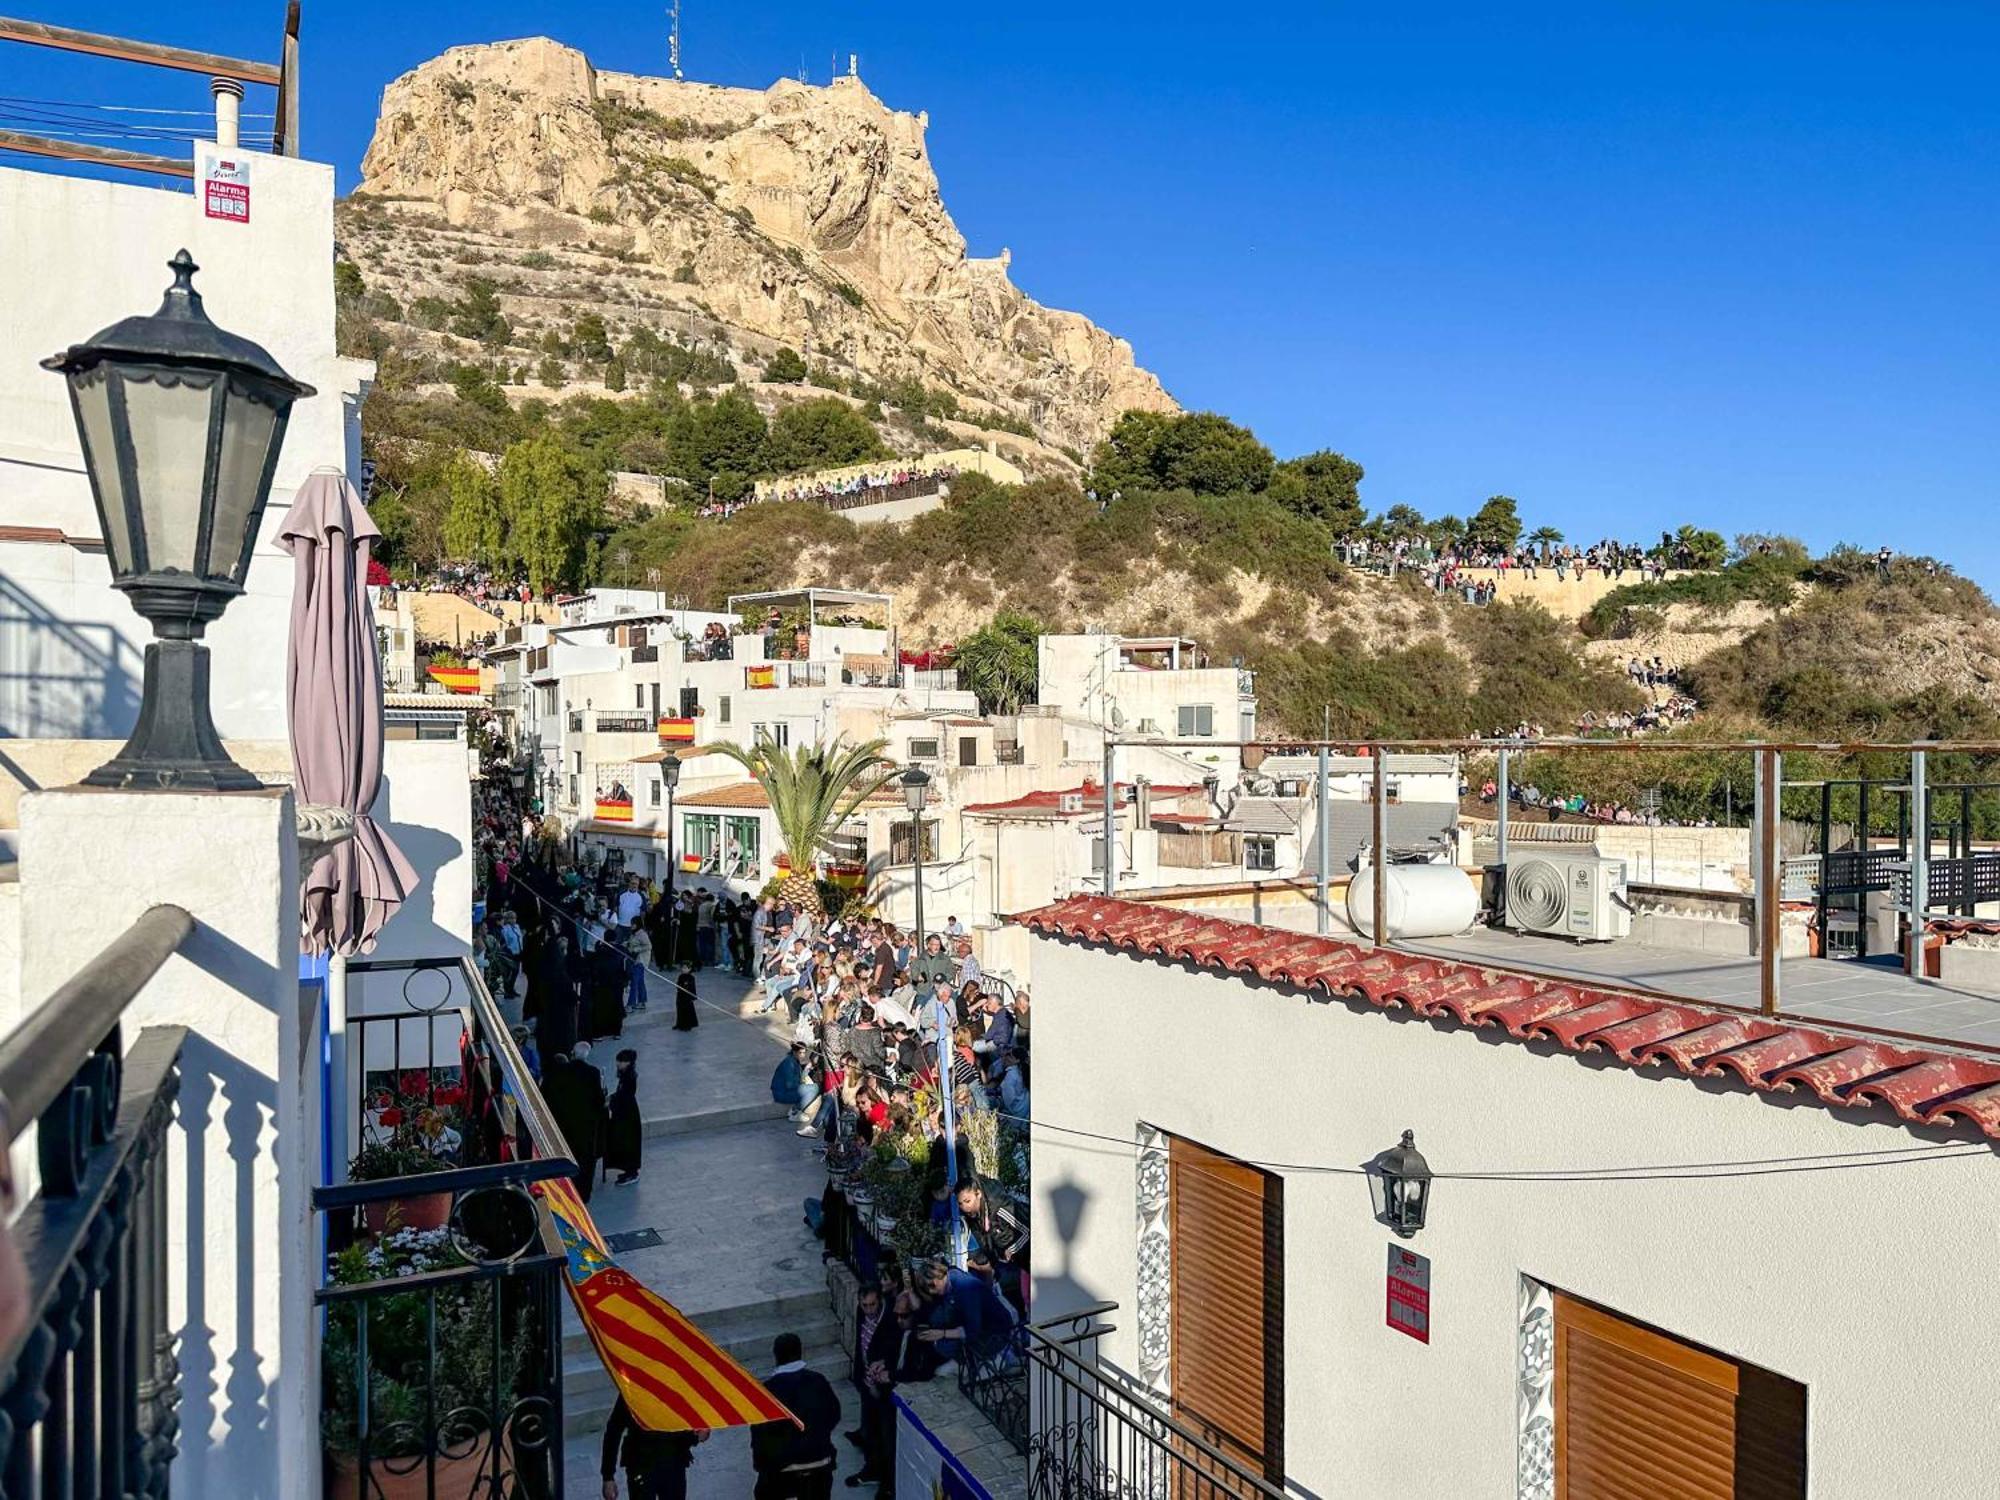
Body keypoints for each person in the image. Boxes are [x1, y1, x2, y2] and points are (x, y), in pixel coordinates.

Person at [752, 1332, 842, 1498]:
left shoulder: (767, 1391)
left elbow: (759, 1436)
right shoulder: (818, 1381)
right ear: (801, 1352)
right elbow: (834, 1414)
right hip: (819, 1461)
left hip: (782, 1468)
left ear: (776, 1356)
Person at [845, 1284, 899, 1488]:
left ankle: (888, 1482)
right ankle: (871, 1469)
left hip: (883, 1387)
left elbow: (894, 1350)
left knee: (886, 1437)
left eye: (872, 1305)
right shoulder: (862, 1313)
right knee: (870, 1432)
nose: (869, 1310)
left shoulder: (891, 1318)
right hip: (867, 1384)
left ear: (880, 1301)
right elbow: (861, 1345)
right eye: (865, 1305)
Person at [600, 1394, 704, 1499]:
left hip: (673, 1464)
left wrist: (696, 1436)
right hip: (641, 1465)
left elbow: (682, 1430)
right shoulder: (632, 1391)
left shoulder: (678, 1388)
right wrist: (608, 1477)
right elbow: (613, 1432)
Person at [542, 1045, 606, 1201]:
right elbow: (599, 1101)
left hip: (564, 1125)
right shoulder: (593, 1073)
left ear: (572, 1054)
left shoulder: (559, 1072)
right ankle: (583, 1195)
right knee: (585, 1162)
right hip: (586, 1128)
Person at [605, 1047, 643, 1186]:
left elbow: (625, 1096)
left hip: (627, 1114)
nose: (618, 1064)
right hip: (625, 1112)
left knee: (628, 1141)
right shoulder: (626, 1075)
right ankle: (628, 1170)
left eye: (621, 1062)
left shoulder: (629, 1077)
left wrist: (611, 1101)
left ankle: (631, 1171)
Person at [674, 962, 701, 1033]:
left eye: (685, 968)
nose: (683, 969)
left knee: (687, 1011)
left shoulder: (691, 978)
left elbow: (692, 987)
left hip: (687, 997)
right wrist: (678, 986)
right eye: (683, 968)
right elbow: (678, 985)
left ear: (689, 969)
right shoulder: (680, 976)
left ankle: (688, 1025)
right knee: (680, 1010)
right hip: (680, 996)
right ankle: (679, 1024)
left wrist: (693, 996)